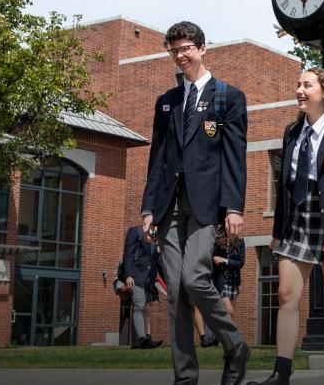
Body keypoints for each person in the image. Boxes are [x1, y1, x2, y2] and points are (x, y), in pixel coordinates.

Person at [141, 21, 250, 385]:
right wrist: (148, 208)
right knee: (174, 292)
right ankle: (185, 377)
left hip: (206, 204)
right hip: (169, 205)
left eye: (186, 47)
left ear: (203, 49)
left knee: (194, 278)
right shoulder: (167, 103)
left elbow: (235, 156)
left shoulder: (227, 96)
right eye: (174, 50)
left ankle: (235, 345)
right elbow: (157, 158)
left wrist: (234, 207)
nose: (181, 55)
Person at [249, 68, 324, 385]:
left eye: (307, 85)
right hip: (298, 220)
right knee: (287, 295)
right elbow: (283, 185)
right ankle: (281, 373)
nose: (300, 90)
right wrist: (277, 232)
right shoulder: (292, 131)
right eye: (297, 85)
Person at [120, 225, 162, 349]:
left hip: (149, 279)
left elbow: (157, 262)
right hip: (135, 275)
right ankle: (142, 339)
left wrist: (169, 282)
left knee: (146, 308)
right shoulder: (135, 231)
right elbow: (128, 254)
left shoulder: (156, 237)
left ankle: (146, 338)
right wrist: (128, 275)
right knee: (139, 304)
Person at [213, 224, 246, 321]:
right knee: (228, 309)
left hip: (233, 280)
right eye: (229, 228)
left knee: (230, 313)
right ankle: (223, 334)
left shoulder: (240, 242)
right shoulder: (217, 241)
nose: (231, 231)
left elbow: (240, 263)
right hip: (220, 279)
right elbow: (213, 257)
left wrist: (224, 260)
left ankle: (219, 335)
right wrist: (215, 260)